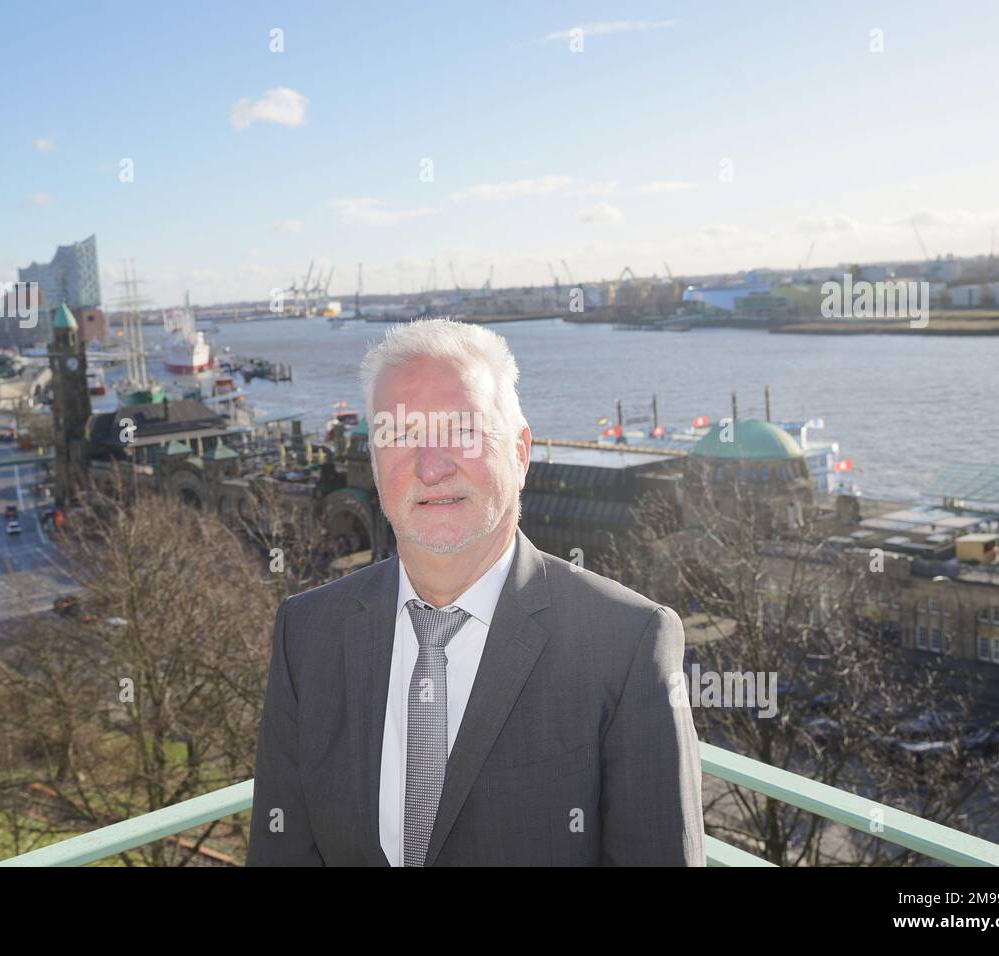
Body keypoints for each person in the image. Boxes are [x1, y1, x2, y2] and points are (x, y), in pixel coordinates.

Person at [247, 319, 704, 867]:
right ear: (373, 461)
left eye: (463, 429)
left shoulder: (627, 643)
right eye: (401, 435)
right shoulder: (306, 632)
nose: (432, 466)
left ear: (520, 452)